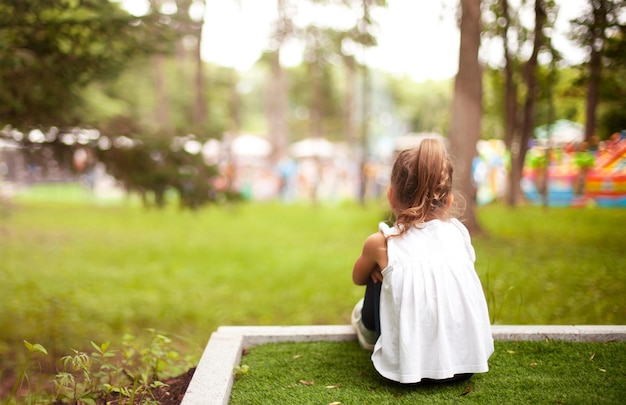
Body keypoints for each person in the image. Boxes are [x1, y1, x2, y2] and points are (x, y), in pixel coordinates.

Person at [351, 138, 494, 385]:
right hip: (466, 365)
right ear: (448, 200)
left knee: (378, 270)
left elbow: (357, 278)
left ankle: (368, 333)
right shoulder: (459, 233)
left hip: (406, 370)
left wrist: (379, 265)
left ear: (390, 196)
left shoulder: (381, 242)